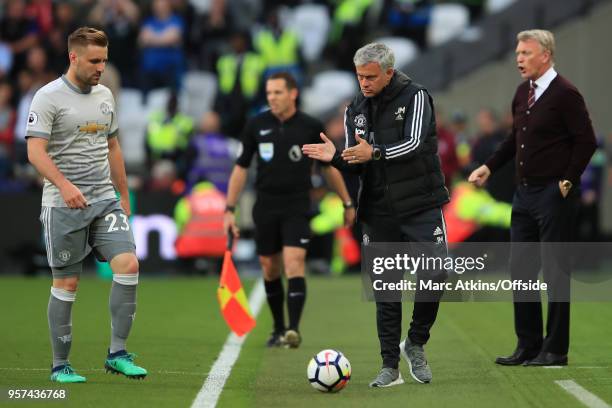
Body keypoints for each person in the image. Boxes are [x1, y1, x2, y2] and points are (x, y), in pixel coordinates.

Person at [302, 42, 449, 387]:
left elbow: (415, 144)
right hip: (379, 210)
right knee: (386, 288)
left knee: (437, 273)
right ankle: (389, 366)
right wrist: (336, 157)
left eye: (370, 77)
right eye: (359, 77)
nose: (364, 83)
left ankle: (415, 341)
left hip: (420, 204)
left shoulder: (415, 97)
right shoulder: (355, 108)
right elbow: (358, 161)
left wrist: (376, 153)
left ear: (388, 72)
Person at [468, 29, 596, 366]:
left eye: (526, 53)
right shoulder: (523, 93)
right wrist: (489, 167)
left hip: (553, 194)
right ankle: (528, 345)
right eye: (517, 53)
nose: (519, 59)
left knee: (555, 272)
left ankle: (555, 350)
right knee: (521, 271)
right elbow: (514, 140)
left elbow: (586, 142)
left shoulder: (566, 94)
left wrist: (566, 182)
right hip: (523, 195)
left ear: (546, 55)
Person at [26, 27, 147, 383]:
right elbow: (34, 151)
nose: (101, 68)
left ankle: (118, 353)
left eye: (105, 60)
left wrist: (122, 195)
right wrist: (63, 186)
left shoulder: (106, 94)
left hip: (103, 200)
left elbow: (113, 147)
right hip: (63, 206)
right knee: (67, 285)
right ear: (73, 57)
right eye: (95, 61)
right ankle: (60, 365)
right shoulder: (47, 98)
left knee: (128, 264)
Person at [224, 72, 356, 349]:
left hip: (297, 205)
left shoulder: (310, 126)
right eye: (269, 93)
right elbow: (241, 168)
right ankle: (278, 327)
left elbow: (329, 167)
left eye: (277, 92)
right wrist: (229, 209)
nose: (272, 97)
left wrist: (346, 202)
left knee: (294, 263)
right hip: (266, 206)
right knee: (270, 268)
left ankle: (293, 330)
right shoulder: (256, 125)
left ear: (292, 93)